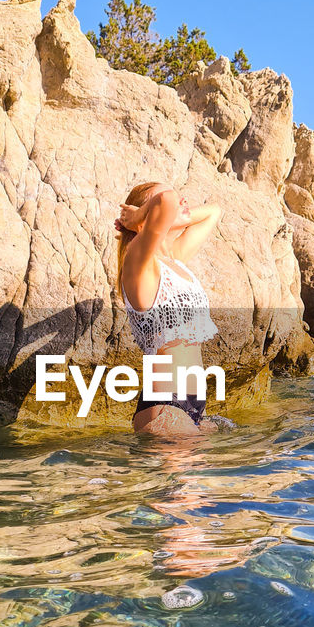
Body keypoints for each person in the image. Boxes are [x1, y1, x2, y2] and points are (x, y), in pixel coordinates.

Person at [114, 181, 224, 436]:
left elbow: (213, 212)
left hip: (193, 407)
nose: (182, 201)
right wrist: (139, 217)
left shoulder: (173, 260)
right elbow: (167, 200)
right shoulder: (139, 263)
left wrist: (164, 215)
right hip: (166, 404)